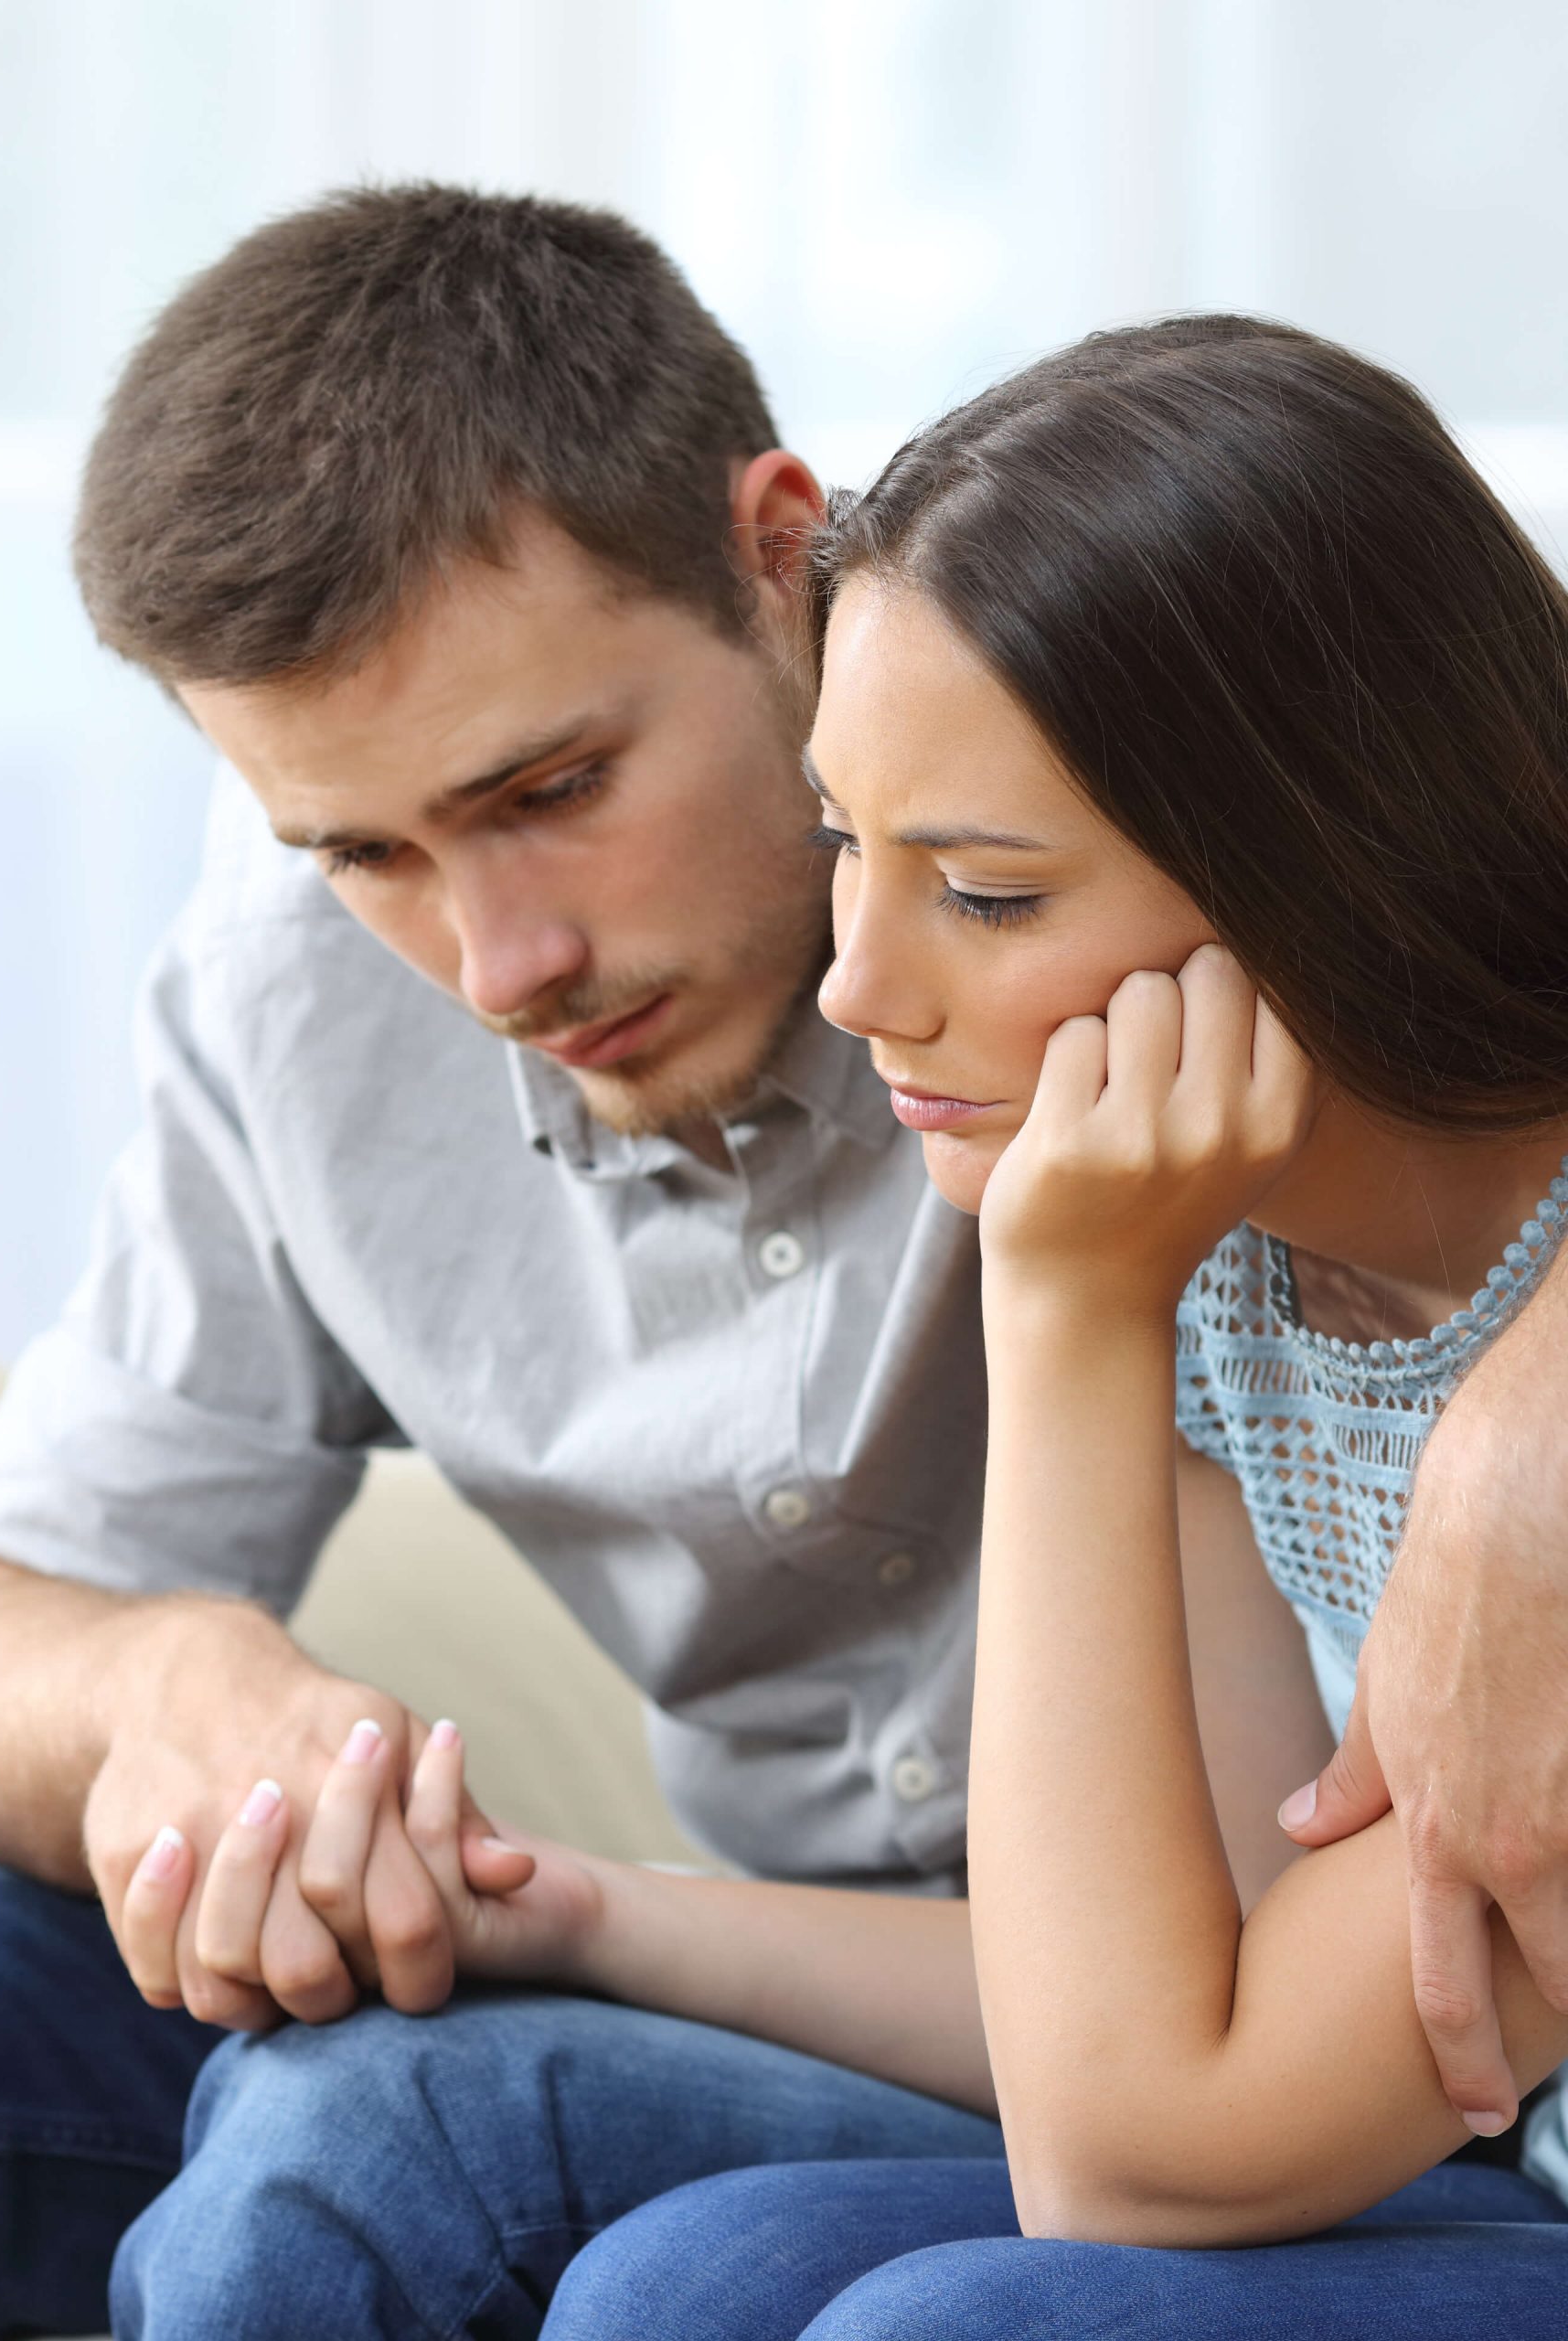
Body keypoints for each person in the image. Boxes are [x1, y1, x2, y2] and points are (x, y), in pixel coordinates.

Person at [0, 189, 1568, 2339]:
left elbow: (1471, 844)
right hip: (897, 1986)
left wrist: (1531, 1418)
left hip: (1241, 2058)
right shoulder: (1139, 1239)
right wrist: (186, 1691)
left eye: (554, 786)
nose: (498, 961)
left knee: (428, 2158)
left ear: (774, 556)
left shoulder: (1096, 796)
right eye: (359, 848)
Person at [517, 317, 1568, 2336]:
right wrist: (1102, 1307)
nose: (853, 988)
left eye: (986, 896)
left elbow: (1130, 2156)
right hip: (1476, 2163)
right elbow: (1178, 1987)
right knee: (679, 2284)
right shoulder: (1230, 1268)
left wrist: (1066, 1312)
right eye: (846, 846)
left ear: (1336, 868)